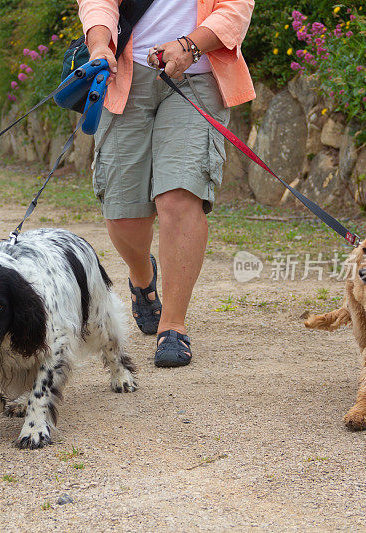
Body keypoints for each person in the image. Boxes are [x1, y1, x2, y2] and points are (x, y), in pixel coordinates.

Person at [76, 0, 255, 367]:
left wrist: (190, 44)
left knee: (180, 196)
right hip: (124, 75)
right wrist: (98, 46)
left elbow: (235, 7)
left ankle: (172, 326)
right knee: (124, 211)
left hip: (198, 74)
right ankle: (143, 278)